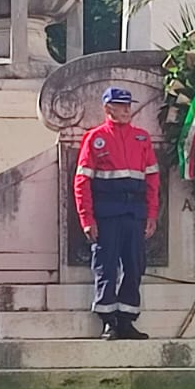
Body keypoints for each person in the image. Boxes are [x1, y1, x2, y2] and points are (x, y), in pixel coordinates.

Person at [73, 87, 160, 339]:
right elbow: (82, 182)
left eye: (128, 105)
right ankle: (108, 321)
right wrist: (87, 219)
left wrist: (151, 214)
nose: (126, 110)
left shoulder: (141, 138)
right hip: (107, 214)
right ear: (107, 108)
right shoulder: (95, 138)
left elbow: (153, 181)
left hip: (134, 214)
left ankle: (126, 320)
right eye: (120, 105)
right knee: (106, 267)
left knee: (134, 267)